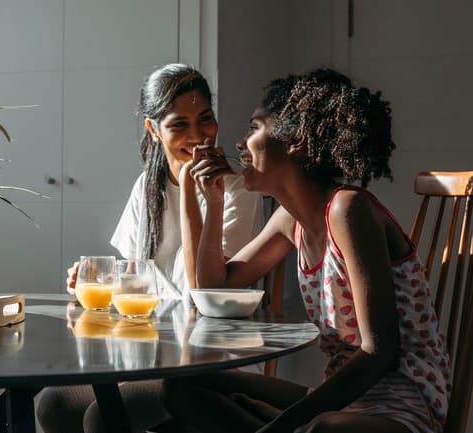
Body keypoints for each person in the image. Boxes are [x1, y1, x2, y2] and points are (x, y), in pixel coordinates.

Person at [162, 69, 450, 433]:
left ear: (295, 140)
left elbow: (380, 352)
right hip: (338, 400)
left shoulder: (349, 211)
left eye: (254, 128)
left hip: (397, 407)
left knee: (323, 429)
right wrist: (211, 202)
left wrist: (286, 423)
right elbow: (213, 287)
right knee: (184, 387)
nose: (239, 143)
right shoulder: (290, 220)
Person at [36, 63, 264, 433]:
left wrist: (192, 188)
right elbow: (135, 280)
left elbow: (203, 292)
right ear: (153, 130)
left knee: (103, 417)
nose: (198, 135)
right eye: (179, 124)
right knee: (53, 404)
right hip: (153, 353)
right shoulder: (148, 187)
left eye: (205, 119)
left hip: (214, 359)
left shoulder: (234, 189)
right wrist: (95, 284)